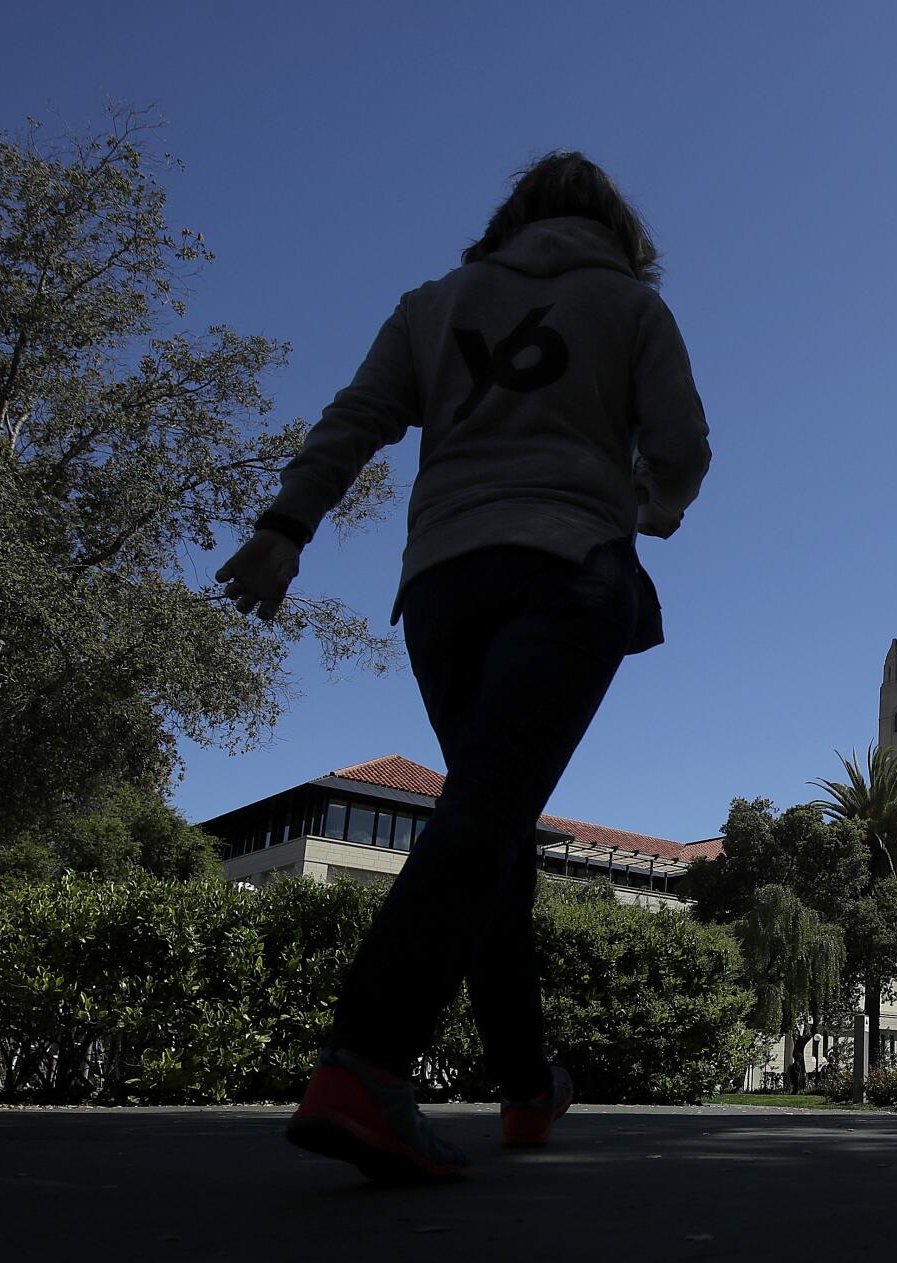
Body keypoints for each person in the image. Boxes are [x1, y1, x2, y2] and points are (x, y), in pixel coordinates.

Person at [216, 152, 709, 1182]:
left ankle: (526, 1087)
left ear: (512, 218)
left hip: (441, 586)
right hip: (567, 570)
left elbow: (354, 422)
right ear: (616, 229)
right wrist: (643, 509)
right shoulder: (629, 307)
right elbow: (681, 447)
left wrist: (283, 527)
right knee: (483, 817)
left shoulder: (433, 304)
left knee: (494, 825)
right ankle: (364, 1064)